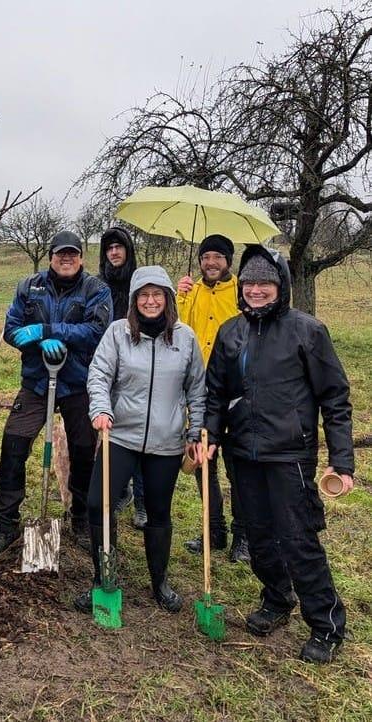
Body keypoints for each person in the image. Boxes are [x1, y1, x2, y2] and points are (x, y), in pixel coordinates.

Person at [205, 244, 353, 664]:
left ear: (280, 286)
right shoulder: (231, 332)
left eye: (265, 283)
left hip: (290, 454)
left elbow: (335, 397)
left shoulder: (307, 331)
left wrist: (341, 461)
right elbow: (215, 392)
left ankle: (326, 625)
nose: (255, 290)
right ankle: (276, 597)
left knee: (297, 539)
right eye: (249, 282)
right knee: (257, 535)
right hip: (243, 454)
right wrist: (212, 435)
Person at [76, 266, 206, 613]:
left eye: (157, 294)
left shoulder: (185, 338)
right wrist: (101, 409)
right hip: (119, 434)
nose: (151, 301)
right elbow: (99, 374)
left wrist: (195, 432)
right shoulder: (118, 333)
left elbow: (197, 389)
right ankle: (103, 577)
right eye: (144, 295)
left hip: (166, 441)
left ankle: (159, 582)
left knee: (159, 512)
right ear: (134, 300)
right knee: (97, 504)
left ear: (168, 298)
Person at [0, 231, 112, 554]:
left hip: (77, 383)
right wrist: (34, 341)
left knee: (84, 450)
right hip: (36, 381)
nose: (67, 259)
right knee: (13, 445)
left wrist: (48, 331)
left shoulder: (96, 290)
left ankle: (80, 518)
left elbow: (97, 332)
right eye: (61, 254)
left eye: (73, 254)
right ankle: (6, 521)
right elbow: (13, 331)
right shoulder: (29, 287)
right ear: (51, 257)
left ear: (82, 258)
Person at [177, 234, 250, 563]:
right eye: (206, 257)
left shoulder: (240, 293)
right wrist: (179, 297)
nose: (211, 263)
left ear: (228, 262)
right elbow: (179, 331)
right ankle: (214, 530)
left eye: (218, 257)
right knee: (203, 464)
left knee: (237, 466)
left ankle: (243, 535)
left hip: (235, 393)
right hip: (199, 392)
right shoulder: (192, 292)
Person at [97, 226, 146, 529]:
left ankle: (142, 502)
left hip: (136, 365)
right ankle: (118, 490)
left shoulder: (139, 284)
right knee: (110, 432)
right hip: (106, 363)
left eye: (119, 247)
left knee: (138, 433)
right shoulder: (98, 284)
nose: (114, 253)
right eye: (109, 248)